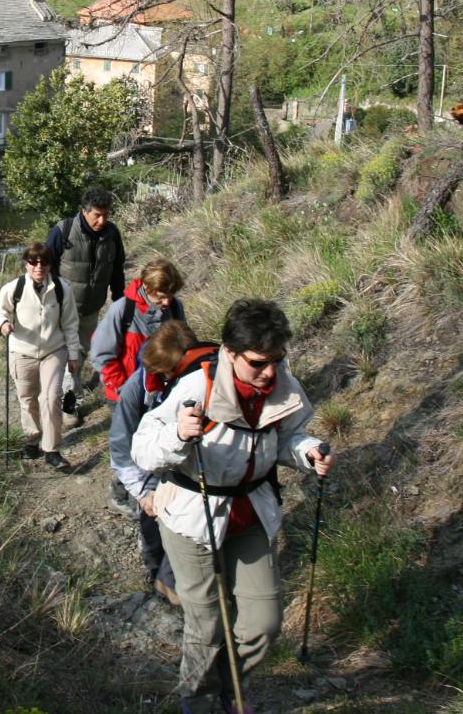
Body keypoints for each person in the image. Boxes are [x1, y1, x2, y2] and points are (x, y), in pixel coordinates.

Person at [132, 299, 337, 714]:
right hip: (191, 516)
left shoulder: (283, 386)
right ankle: (199, 701)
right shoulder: (196, 388)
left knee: (263, 623)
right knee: (207, 623)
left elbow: (288, 438)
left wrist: (310, 451)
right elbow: (143, 450)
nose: (269, 372)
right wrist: (178, 434)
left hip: (249, 513)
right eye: (259, 363)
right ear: (230, 353)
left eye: (277, 361)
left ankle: (228, 688)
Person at [108, 318, 201, 607]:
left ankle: (171, 582)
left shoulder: (203, 379)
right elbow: (122, 450)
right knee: (152, 526)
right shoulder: (136, 391)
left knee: (185, 526)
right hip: (147, 471)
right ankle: (157, 575)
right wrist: (144, 492)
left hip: (188, 470)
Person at [92, 257, 187, 519]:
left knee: (152, 443)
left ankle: (140, 491)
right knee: (130, 443)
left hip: (160, 393)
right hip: (125, 394)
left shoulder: (175, 309)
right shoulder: (123, 310)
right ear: (146, 286)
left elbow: (183, 345)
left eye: (170, 295)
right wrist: (123, 388)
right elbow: (101, 354)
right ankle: (129, 495)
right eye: (161, 296)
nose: (166, 301)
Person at [0, 241, 82, 472]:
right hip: (21, 350)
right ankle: (31, 440)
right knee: (26, 398)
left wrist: (74, 355)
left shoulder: (61, 288)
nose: (39, 266)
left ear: (50, 264)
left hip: (53, 351)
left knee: (51, 397)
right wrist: (3, 324)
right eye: (33, 261)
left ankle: (52, 450)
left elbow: (70, 324)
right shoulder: (14, 287)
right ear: (26, 264)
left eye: (44, 262)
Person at [45, 187, 126, 425]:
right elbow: (44, 266)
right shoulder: (64, 230)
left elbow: (117, 270)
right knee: (67, 355)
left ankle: (68, 395)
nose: (102, 221)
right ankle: (68, 407)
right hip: (62, 309)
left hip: (92, 307)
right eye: (96, 216)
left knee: (79, 354)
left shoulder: (112, 234)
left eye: (106, 215)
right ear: (84, 211)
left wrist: (120, 302)